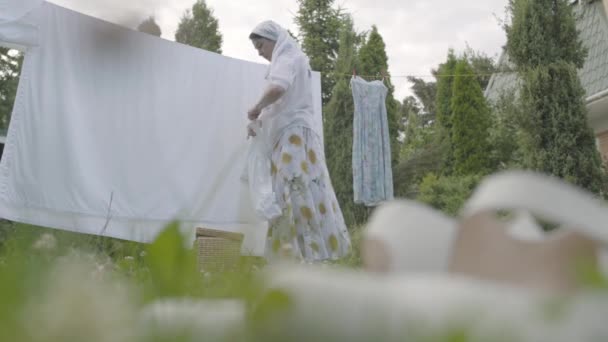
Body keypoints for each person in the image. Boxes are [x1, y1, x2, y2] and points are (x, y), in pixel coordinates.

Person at [247, 20, 351, 262]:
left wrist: (255, 109)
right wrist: (260, 117)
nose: (259, 52)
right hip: (299, 136)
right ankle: (317, 253)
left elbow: (278, 89)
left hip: (293, 137)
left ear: (275, 40)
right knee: (309, 189)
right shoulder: (296, 59)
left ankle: (297, 256)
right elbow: (284, 100)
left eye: (260, 45)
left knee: (291, 189)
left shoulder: (286, 58)